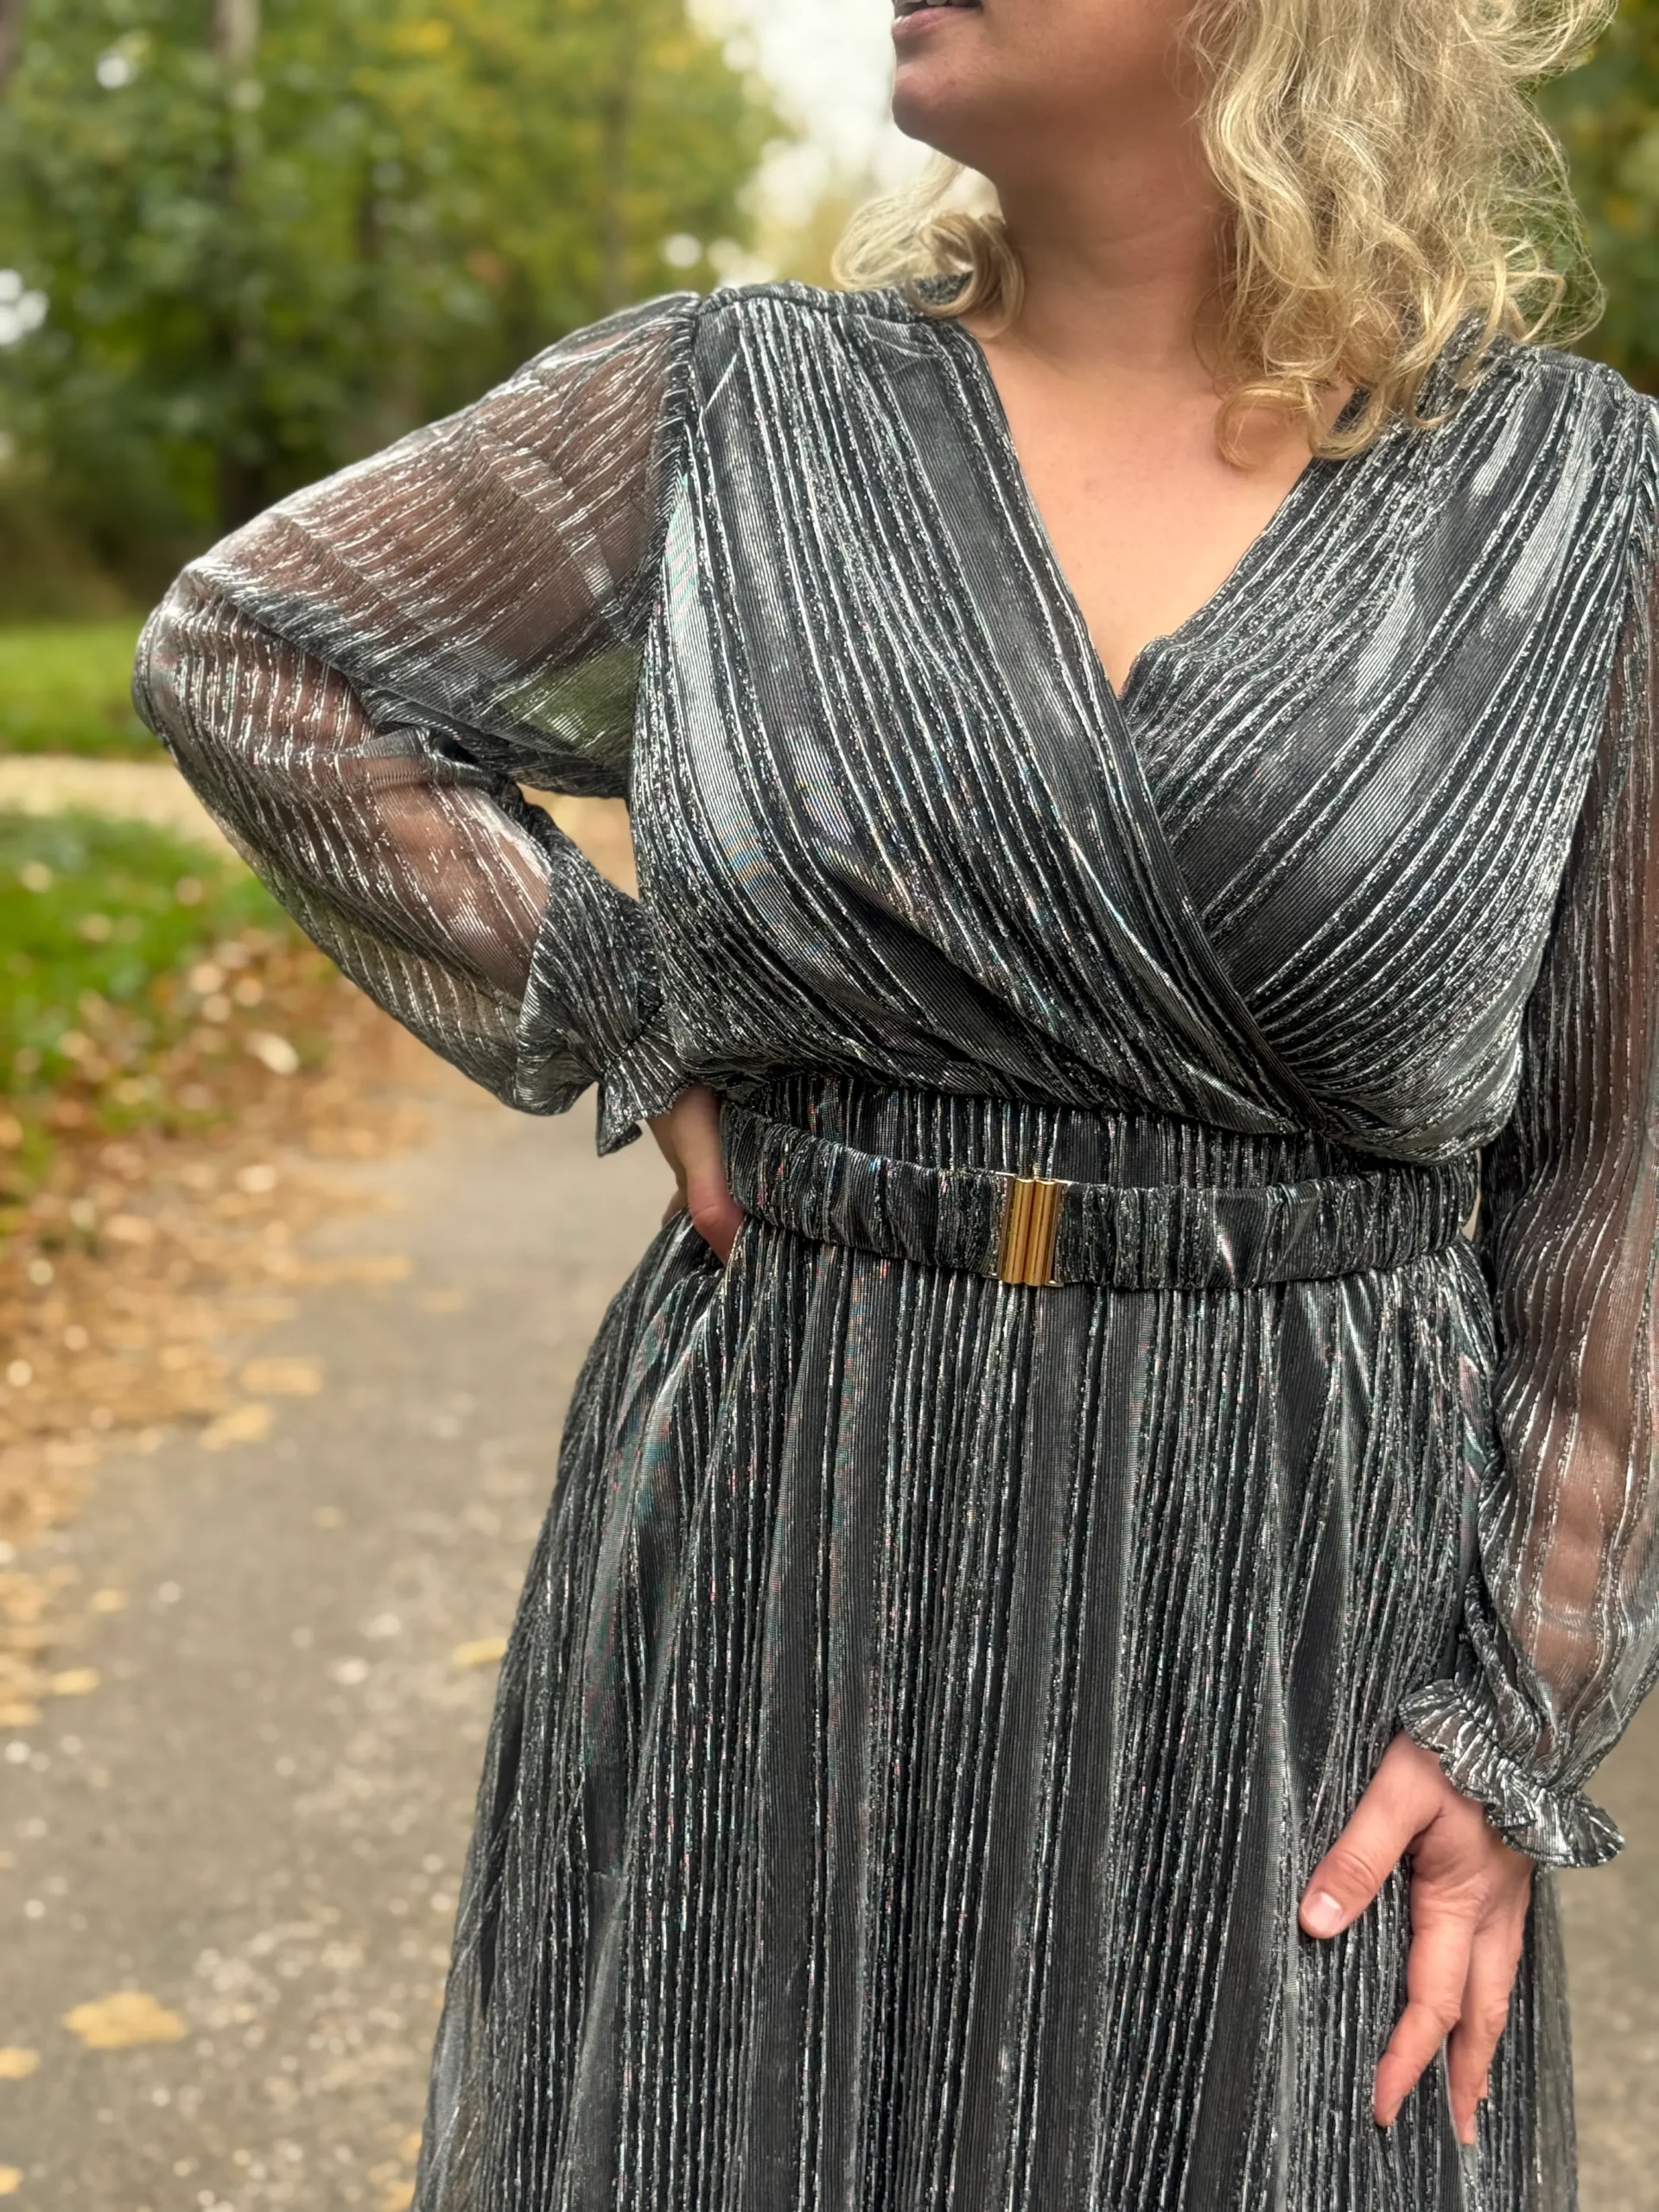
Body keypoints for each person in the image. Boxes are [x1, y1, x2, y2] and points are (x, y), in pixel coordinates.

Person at [133, 0, 1659, 2202]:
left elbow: (1620, 1170)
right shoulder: (737, 414)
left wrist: (1513, 1711)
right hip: (793, 1504)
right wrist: (621, 1003)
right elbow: (259, 656)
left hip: (1297, 1583)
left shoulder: (1574, 508)